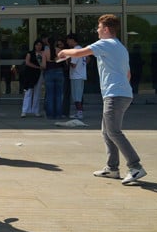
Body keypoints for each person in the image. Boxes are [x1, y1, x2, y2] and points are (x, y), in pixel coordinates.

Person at [58, 15, 145, 185]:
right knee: (107, 131)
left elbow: (79, 52)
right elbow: (128, 74)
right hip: (121, 93)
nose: (97, 30)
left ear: (106, 29)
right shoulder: (120, 47)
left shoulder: (105, 43)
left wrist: (64, 52)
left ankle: (135, 167)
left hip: (115, 95)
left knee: (113, 132)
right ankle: (112, 168)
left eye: (99, 27)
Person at [43, 37, 67, 120]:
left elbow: (44, 65)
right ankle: (58, 114)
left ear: (48, 43)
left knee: (49, 95)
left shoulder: (45, 52)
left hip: (49, 72)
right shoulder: (59, 51)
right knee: (59, 95)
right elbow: (64, 61)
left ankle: (50, 115)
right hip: (59, 72)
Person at [20, 40, 45, 118]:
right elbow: (27, 62)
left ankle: (36, 111)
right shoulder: (30, 53)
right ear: (34, 45)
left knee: (37, 92)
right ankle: (24, 111)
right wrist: (37, 67)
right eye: (37, 45)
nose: (38, 46)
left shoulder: (43, 53)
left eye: (40, 45)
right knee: (28, 92)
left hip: (40, 74)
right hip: (31, 74)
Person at [66, 34, 87, 119]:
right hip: (81, 74)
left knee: (76, 96)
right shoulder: (82, 49)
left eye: (68, 40)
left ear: (72, 40)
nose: (67, 42)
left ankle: (80, 112)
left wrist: (67, 59)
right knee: (78, 95)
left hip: (76, 75)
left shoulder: (75, 51)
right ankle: (79, 112)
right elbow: (87, 60)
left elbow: (73, 65)